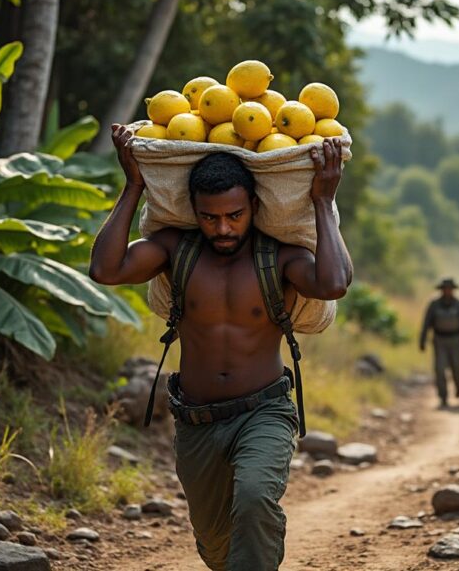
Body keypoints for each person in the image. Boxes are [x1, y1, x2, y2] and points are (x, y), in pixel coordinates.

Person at [89, 125, 353, 571]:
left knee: (253, 498)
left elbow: (333, 283)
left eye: (234, 215)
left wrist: (323, 202)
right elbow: (105, 269)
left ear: (254, 205)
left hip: (264, 411)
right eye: (210, 217)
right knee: (216, 546)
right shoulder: (177, 249)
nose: (223, 227)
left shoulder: (280, 257)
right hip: (196, 421)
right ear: (194, 212)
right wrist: (134, 185)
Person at [419, 278, 459, 408]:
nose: (447, 291)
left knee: (457, 367)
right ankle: (443, 396)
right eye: (445, 289)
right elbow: (426, 323)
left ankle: (458, 386)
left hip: (456, 340)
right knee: (440, 369)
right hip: (439, 340)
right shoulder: (434, 305)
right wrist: (422, 340)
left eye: (449, 289)